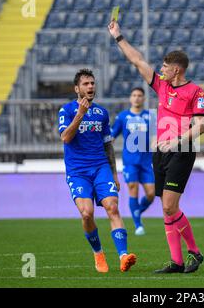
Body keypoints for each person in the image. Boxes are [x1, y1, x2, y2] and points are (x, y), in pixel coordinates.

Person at [108, 19, 204, 274]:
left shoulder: (196, 92)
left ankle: (194, 252)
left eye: (165, 66)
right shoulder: (162, 86)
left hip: (181, 152)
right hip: (160, 154)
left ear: (176, 69)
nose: (160, 69)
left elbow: (201, 127)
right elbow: (138, 61)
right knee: (167, 209)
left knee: (168, 206)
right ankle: (176, 261)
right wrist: (119, 37)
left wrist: (176, 140)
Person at [58, 68, 137, 273]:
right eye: (86, 84)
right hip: (78, 171)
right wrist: (80, 115)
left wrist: (113, 173)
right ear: (77, 88)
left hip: (101, 167)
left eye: (92, 83)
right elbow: (66, 138)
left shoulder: (101, 113)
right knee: (86, 214)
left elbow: (107, 145)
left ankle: (123, 256)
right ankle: (99, 253)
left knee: (112, 207)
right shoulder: (66, 110)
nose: (91, 86)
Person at [111, 87, 156, 236]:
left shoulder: (150, 117)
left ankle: (136, 211)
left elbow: (157, 135)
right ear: (130, 98)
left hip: (146, 161)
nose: (137, 98)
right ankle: (138, 225)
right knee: (133, 189)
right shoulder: (123, 117)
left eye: (139, 95)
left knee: (151, 193)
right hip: (130, 161)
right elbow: (112, 136)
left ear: (143, 98)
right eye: (134, 95)